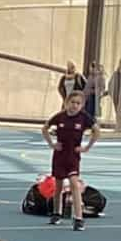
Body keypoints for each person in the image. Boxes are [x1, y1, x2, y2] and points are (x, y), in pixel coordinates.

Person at [44, 91, 95, 230]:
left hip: (73, 155)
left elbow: (96, 130)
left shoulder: (84, 118)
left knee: (74, 183)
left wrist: (87, 147)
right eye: (72, 102)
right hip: (60, 154)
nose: (75, 106)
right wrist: (52, 144)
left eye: (78, 103)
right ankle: (56, 213)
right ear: (67, 103)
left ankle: (78, 218)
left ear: (82, 105)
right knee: (58, 185)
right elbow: (45, 128)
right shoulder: (60, 117)